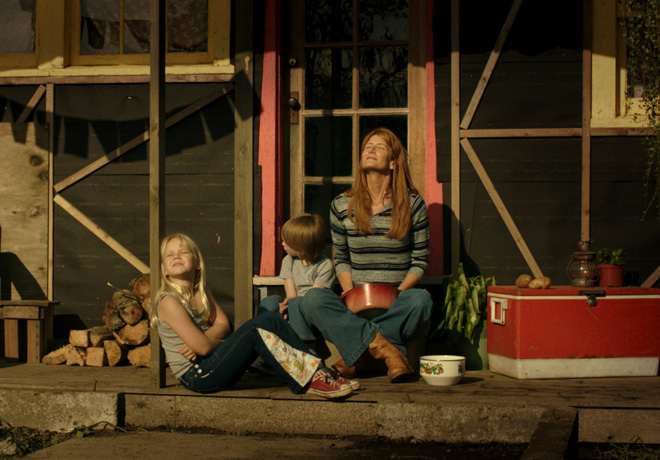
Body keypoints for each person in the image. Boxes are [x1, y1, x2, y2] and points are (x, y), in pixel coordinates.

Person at [299, 127, 433, 383]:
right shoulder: (341, 205)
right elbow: (341, 259)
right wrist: (351, 294)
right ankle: (388, 351)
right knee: (312, 299)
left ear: (393, 162)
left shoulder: (413, 205)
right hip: (356, 296)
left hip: (398, 297)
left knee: (422, 300)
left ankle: (359, 355)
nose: (370, 150)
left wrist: (398, 293)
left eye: (379, 147)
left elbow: (419, 261)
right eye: (367, 147)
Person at [150, 232, 354, 399]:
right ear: (164, 270)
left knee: (271, 317)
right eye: (170, 255)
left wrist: (206, 340)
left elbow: (223, 326)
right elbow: (202, 348)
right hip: (197, 375)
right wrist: (219, 343)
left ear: (198, 263)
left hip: (212, 361)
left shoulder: (202, 292)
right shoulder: (168, 301)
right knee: (256, 329)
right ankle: (307, 381)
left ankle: (319, 371)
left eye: (183, 252)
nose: (176, 256)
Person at [258, 214, 334, 343]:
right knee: (270, 302)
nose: (283, 244)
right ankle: (266, 341)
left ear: (302, 246)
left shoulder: (325, 265)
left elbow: (314, 299)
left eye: (287, 242)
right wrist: (285, 307)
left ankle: (305, 345)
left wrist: (293, 307)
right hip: (294, 307)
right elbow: (291, 295)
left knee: (297, 302)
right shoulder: (289, 261)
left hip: (313, 314)